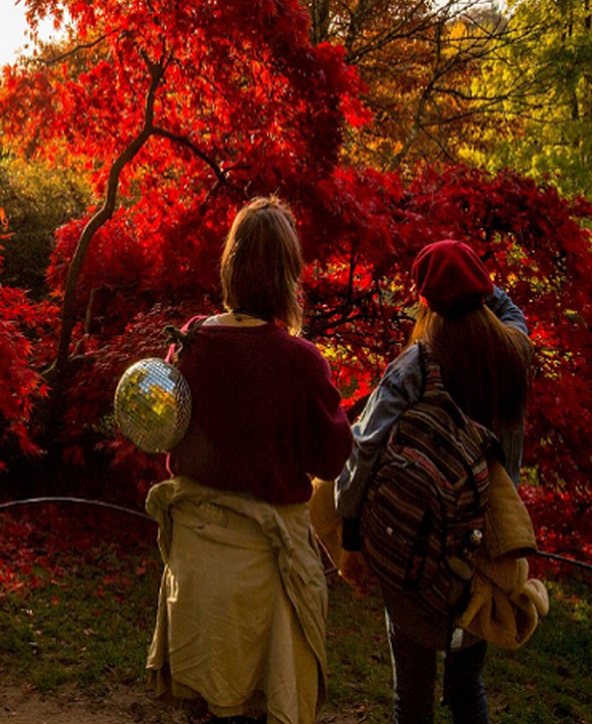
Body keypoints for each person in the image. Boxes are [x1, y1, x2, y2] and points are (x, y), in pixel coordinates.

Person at [145, 196, 354, 724]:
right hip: (264, 580)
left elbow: (168, 437)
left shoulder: (191, 342)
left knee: (205, 711)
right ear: (288, 274)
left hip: (195, 569)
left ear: (231, 263)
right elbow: (332, 459)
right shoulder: (300, 362)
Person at [334, 239, 533, 724]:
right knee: (468, 687)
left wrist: (351, 533)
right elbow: (506, 306)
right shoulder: (512, 355)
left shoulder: (417, 365)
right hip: (481, 547)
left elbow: (365, 447)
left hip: (414, 544)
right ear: (482, 293)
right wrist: (472, 281)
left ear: (424, 301)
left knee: (413, 695)